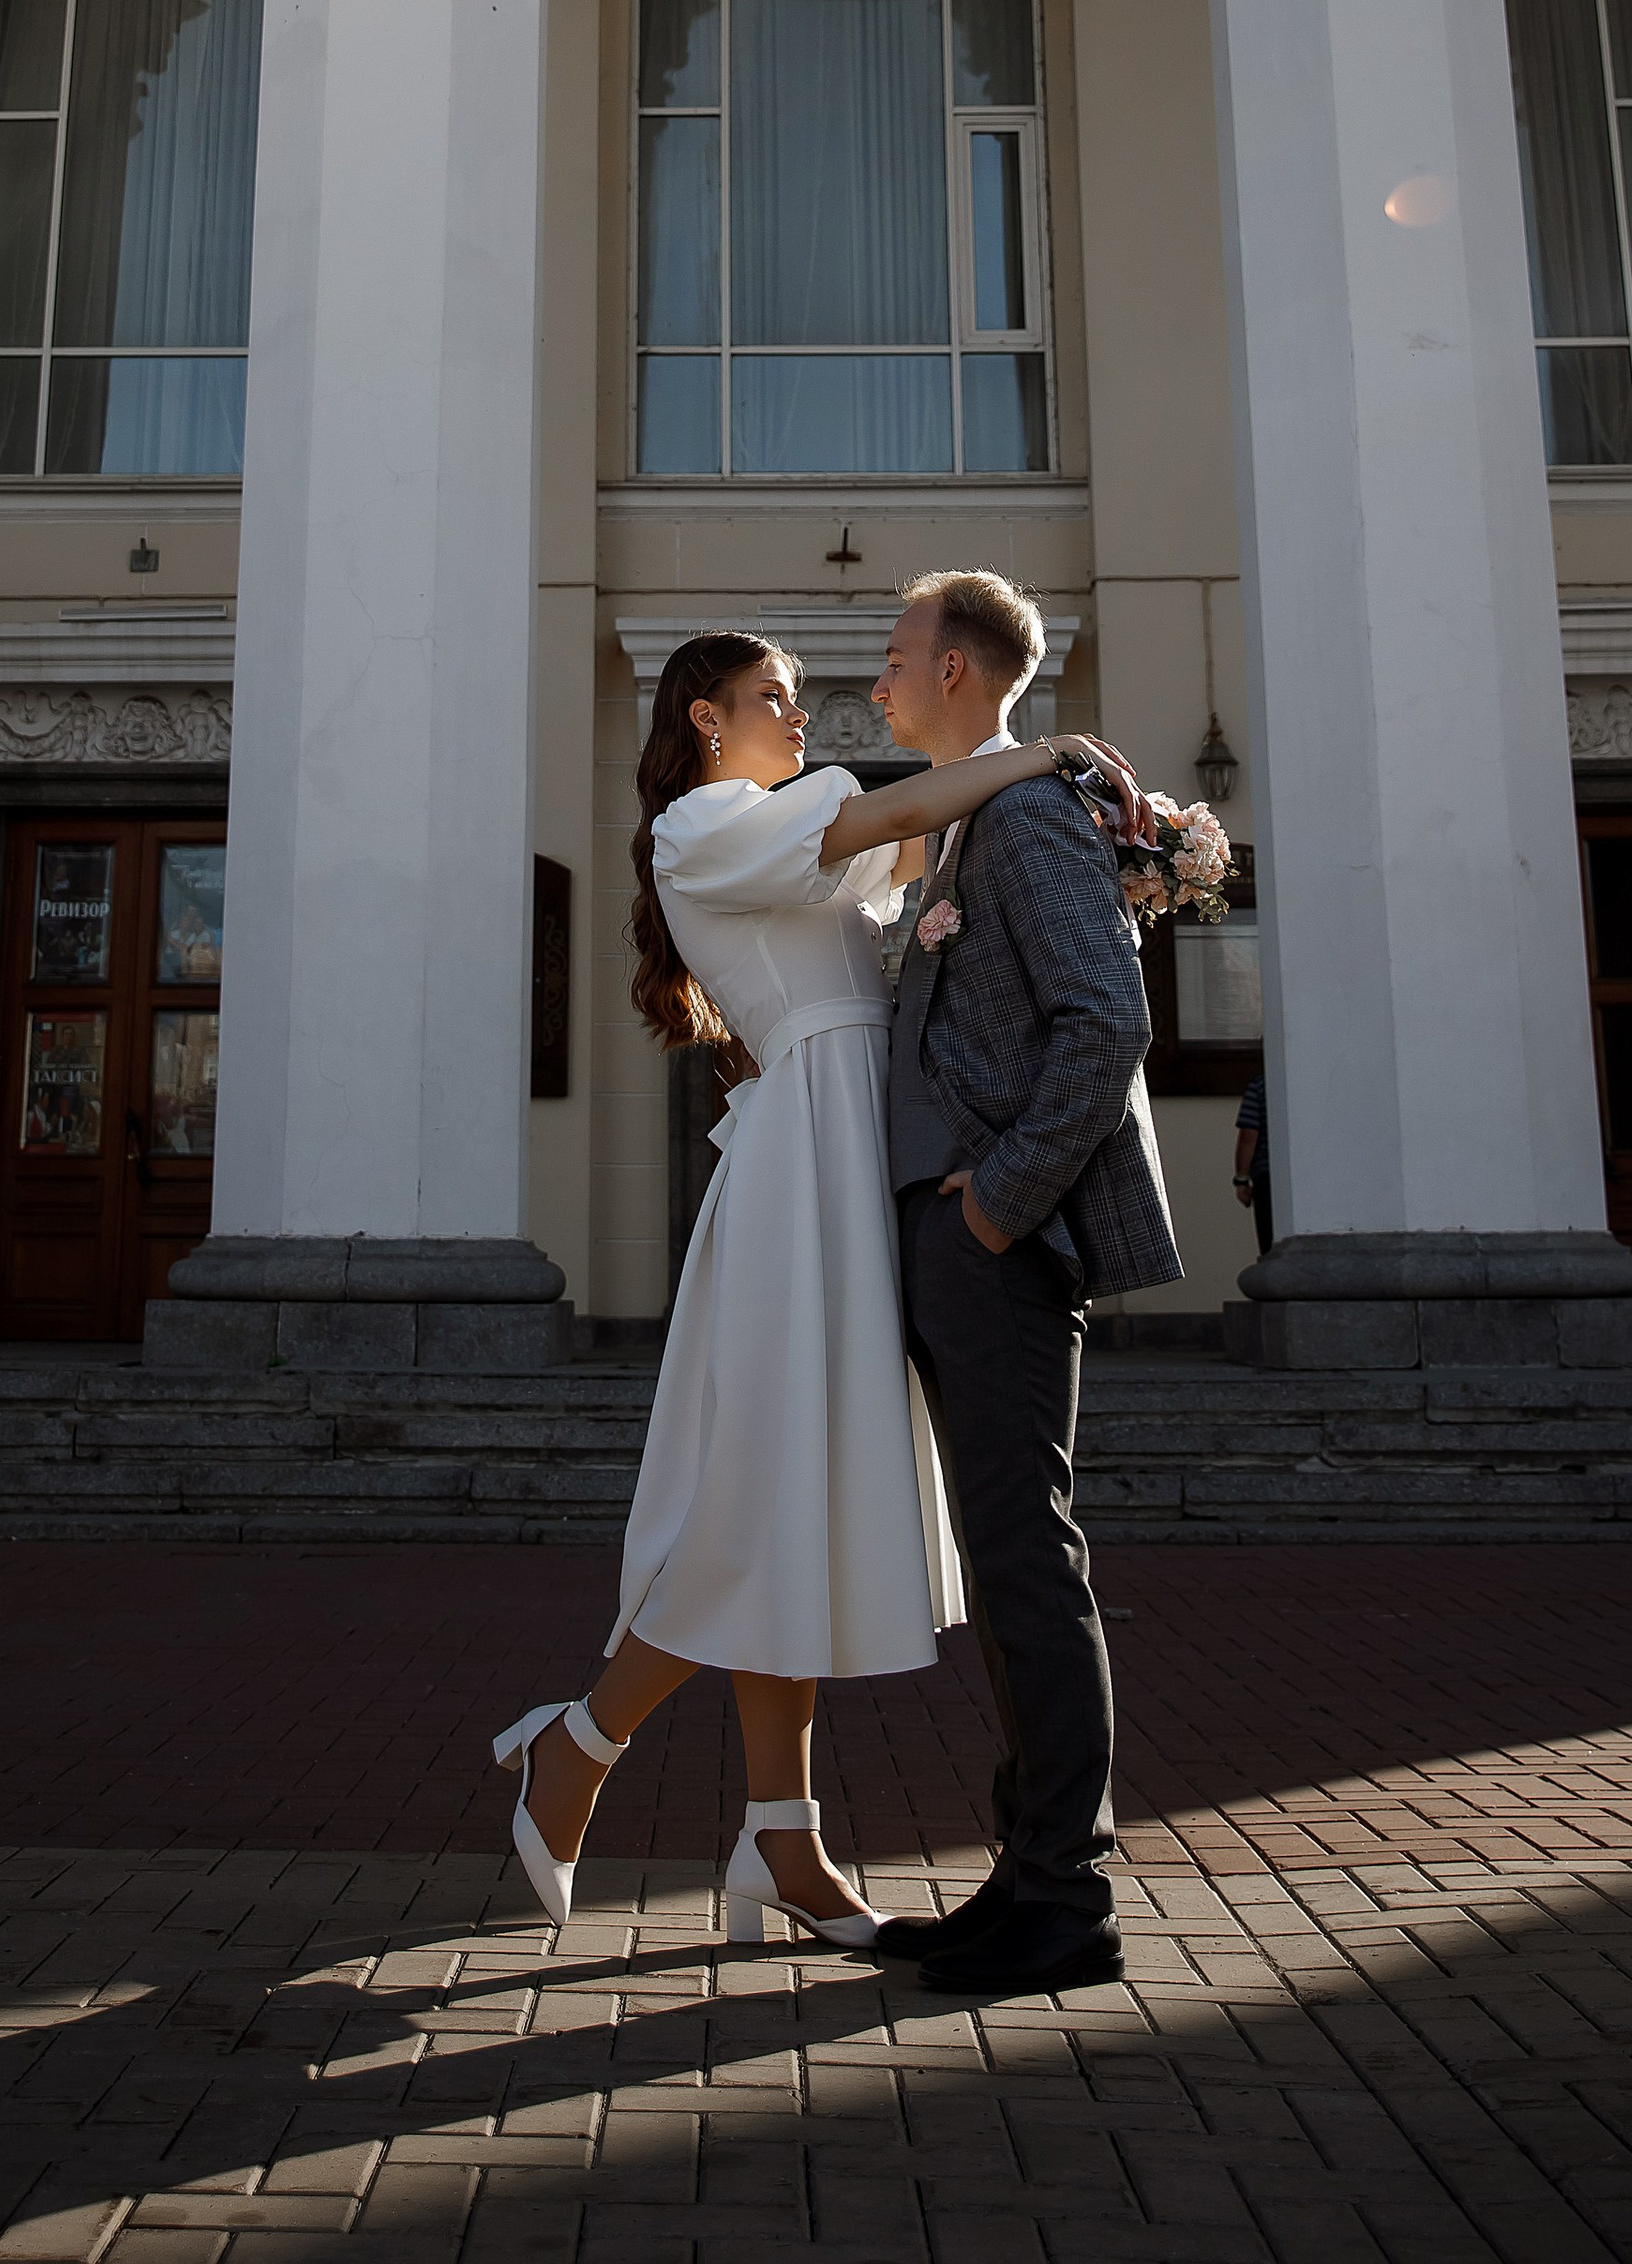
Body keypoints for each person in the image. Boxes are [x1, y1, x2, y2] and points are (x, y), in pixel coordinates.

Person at [492, 626, 1154, 1951]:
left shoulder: (789, 821)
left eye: (796, 701)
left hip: (860, 1156)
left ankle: (780, 1839)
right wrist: (1054, 751)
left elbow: (933, 849)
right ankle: (578, 1741)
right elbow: (911, 807)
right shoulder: (707, 823)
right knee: (760, 1499)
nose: (801, 719)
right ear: (699, 719)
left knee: (796, 1505)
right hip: (807, 1164)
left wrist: (1118, 843)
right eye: (773, 700)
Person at [868, 570, 1183, 2000]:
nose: (873, 681)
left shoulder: (1023, 817)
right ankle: (1028, 1878)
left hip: (997, 1245)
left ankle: (1065, 1897)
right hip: (957, 1244)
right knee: (1004, 1568)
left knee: (1027, 1562)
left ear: (955, 672)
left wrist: (994, 1209)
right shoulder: (964, 824)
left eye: (892, 653)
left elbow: (1106, 1021)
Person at [1232, 1062, 1273, 1254]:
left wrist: (1241, 1178)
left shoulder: (1261, 1086)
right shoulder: (1312, 1085)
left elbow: (1248, 1136)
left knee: (1270, 1249)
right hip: (1310, 1177)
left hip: (1267, 1178)